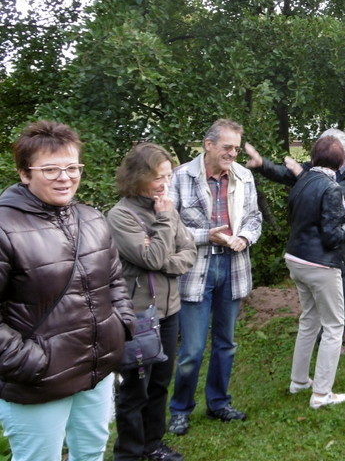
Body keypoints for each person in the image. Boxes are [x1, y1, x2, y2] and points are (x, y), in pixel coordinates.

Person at [0, 120, 136, 461]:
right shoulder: (5, 228)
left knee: (90, 453)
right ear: (24, 173)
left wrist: (120, 326)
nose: (65, 177)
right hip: (38, 381)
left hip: (97, 371)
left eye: (72, 167)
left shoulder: (91, 219)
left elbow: (115, 280)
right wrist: (33, 362)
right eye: (50, 169)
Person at [167, 119, 262, 436]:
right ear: (208, 145)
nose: (233, 153)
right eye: (227, 147)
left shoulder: (244, 177)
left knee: (227, 343)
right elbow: (170, 230)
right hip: (195, 270)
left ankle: (219, 402)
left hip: (233, 268)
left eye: (236, 148)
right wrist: (209, 236)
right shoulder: (180, 177)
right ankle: (180, 409)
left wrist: (245, 238)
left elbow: (254, 218)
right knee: (192, 350)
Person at [107, 143, 196, 461]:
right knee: (134, 389)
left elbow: (189, 252)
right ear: (138, 177)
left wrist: (163, 260)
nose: (165, 184)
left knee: (160, 382)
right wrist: (163, 226)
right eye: (159, 177)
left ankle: (153, 445)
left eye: (168, 176)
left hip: (169, 311)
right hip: (138, 315)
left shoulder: (166, 207)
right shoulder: (120, 216)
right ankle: (129, 452)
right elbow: (153, 255)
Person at [244, 127, 345, 349]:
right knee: (323, 294)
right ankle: (328, 336)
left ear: (342, 153)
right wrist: (262, 163)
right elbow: (284, 173)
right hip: (324, 240)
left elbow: (335, 193)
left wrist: (302, 175)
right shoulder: (317, 166)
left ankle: (342, 329)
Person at [284, 136, 345, 409]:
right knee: (333, 326)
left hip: (295, 259)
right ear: (341, 160)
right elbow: (332, 238)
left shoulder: (303, 180)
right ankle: (321, 393)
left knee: (309, 320)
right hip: (319, 264)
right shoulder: (331, 188)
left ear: (315, 157)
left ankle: (298, 381)